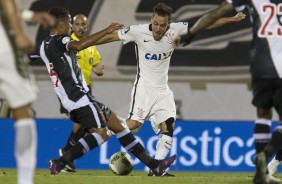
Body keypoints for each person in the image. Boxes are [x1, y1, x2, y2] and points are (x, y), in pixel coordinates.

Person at [95, 2, 245, 176]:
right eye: (156, 24)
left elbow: (208, 24)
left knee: (168, 127)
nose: (158, 29)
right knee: (134, 124)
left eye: (162, 25)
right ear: (152, 19)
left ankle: (156, 168)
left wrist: (232, 19)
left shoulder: (176, 29)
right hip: (144, 87)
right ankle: (102, 132)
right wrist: (86, 44)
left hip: (162, 90)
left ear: (169, 24)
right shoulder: (137, 31)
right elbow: (112, 37)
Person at [39, 6, 177, 176]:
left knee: (118, 126)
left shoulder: (44, 45)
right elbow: (79, 45)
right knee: (101, 134)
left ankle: (155, 165)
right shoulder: (61, 40)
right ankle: (60, 161)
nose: (71, 27)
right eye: (69, 23)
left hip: (75, 98)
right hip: (78, 97)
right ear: (60, 24)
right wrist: (107, 30)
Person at [177, 1, 282, 184]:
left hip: (259, 66)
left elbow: (216, 12)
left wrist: (190, 34)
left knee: (263, 116)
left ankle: (261, 171)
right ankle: (266, 155)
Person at [0, 0, 55, 184]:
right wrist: (20, 34)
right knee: (23, 110)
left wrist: (29, 16)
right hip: (3, 46)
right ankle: (25, 180)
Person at [58, 14, 105, 172]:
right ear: (72, 26)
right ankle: (66, 154)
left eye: (82, 24)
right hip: (72, 89)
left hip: (87, 89)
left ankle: (66, 155)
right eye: (76, 24)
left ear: (87, 26)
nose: (79, 27)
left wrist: (98, 69)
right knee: (87, 124)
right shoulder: (68, 42)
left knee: (84, 126)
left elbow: (96, 64)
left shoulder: (90, 45)